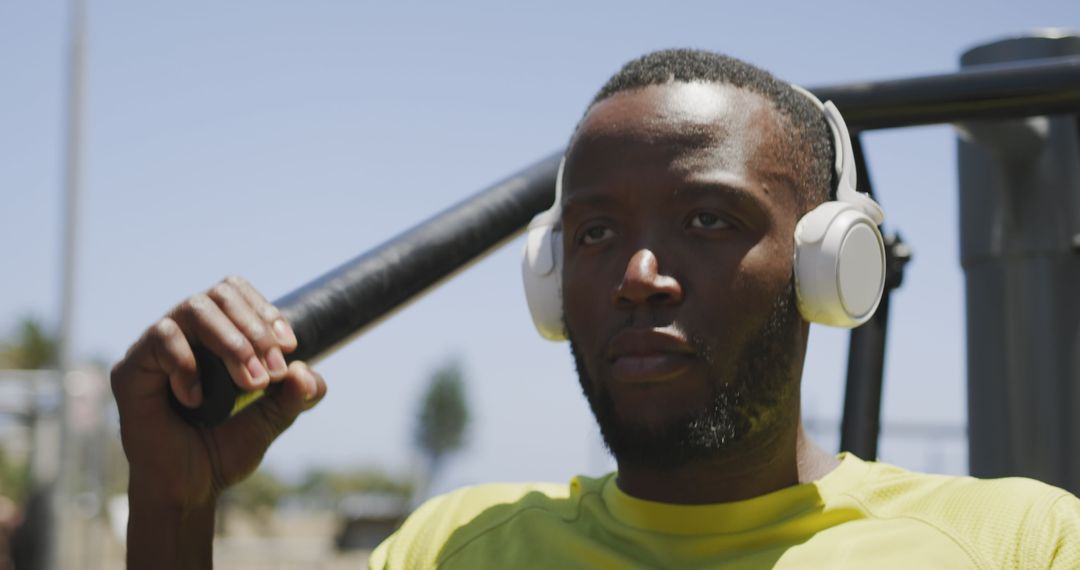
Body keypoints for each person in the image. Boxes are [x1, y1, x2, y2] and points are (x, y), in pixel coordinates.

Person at [111, 49, 1079, 568]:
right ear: (550, 281)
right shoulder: (450, 552)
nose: (639, 273)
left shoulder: (1018, 547)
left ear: (833, 263)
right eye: (593, 233)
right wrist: (171, 507)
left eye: (709, 217)